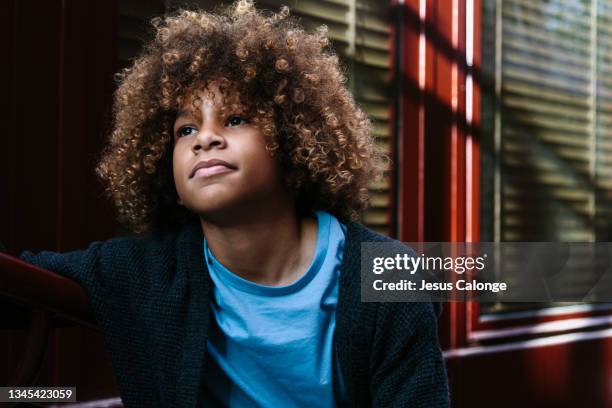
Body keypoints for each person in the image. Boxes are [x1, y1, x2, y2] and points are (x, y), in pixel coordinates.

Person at [18, 1, 449, 406]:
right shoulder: (142, 271)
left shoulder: (388, 277)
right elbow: (21, 278)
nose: (205, 138)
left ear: (293, 140)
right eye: (185, 130)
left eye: (236, 119)